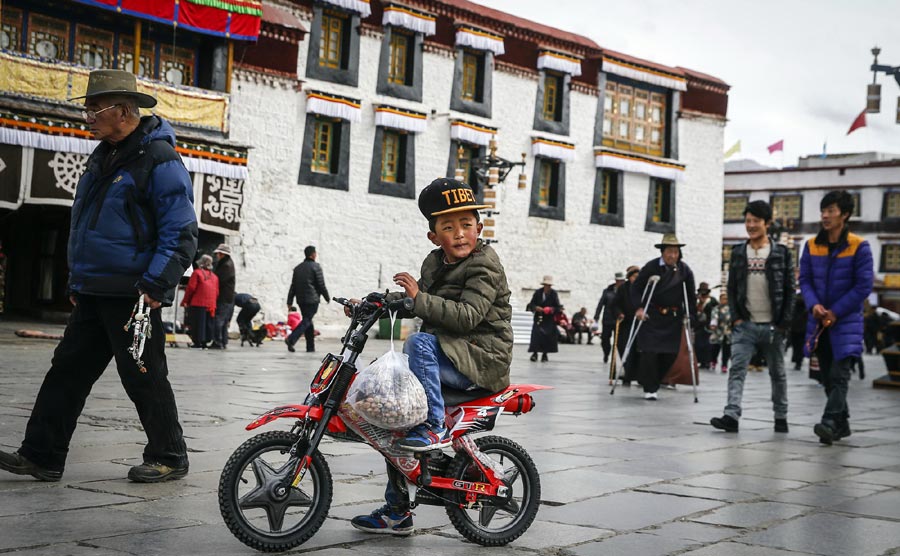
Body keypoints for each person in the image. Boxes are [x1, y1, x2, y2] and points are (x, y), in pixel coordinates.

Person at [0, 69, 197, 483]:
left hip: (135, 292)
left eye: (94, 109)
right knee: (66, 372)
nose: (87, 117)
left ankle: (169, 455)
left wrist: (157, 285)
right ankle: (42, 455)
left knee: (142, 374)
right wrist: (77, 280)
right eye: (87, 109)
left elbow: (180, 232)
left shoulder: (159, 160)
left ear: (124, 111)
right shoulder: (102, 157)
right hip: (94, 290)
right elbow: (86, 226)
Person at [351, 177, 513, 536]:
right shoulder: (434, 262)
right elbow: (425, 305)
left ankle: (435, 425)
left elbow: (467, 315)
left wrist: (419, 299)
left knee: (419, 344)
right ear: (433, 236)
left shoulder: (485, 265)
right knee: (391, 414)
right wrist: (381, 303)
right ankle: (397, 511)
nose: (459, 234)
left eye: (467, 225)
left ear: (479, 227)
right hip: (453, 355)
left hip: (481, 359)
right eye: (448, 227)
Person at [711, 200, 794, 434]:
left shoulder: (781, 253)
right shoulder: (738, 252)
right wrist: (736, 318)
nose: (751, 225)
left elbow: (790, 290)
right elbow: (733, 287)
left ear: (767, 223)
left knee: (777, 373)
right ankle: (731, 415)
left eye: (756, 221)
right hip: (745, 325)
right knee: (736, 369)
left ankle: (781, 417)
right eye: (747, 221)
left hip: (773, 326)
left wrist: (783, 323)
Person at [800, 190, 873, 445]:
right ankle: (843, 423)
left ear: (845, 214)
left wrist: (836, 311)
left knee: (840, 374)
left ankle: (830, 421)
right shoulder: (811, 245)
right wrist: (814, 306)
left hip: (846, 322)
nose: (825, 216)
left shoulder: (859, 246)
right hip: (819, 321)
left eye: (831, 211)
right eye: (823, 211)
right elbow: (805, 280)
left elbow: (863, 286)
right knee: (827, 376)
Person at [632, 234, 697, 400]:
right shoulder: (651, 267)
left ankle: (656, 381)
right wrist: (639, 308)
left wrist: (691, 315)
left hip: (672, 318)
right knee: (650, 353)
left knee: (670, 354)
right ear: (662, 251)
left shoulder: (684, 270)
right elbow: (637, 288)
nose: (672, 255)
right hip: (652, 316)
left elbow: (690, 296)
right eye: (669, 251)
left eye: (675, 252)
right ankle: (650, 387)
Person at [286, 245, 330, 353]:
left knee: (308, 320)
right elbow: (321, 284)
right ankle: (291, 339)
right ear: (313, 254)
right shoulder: (316, 267)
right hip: (312, 300)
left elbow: (293, 286)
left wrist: (289, 301)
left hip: (301, 300)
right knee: (307, 320)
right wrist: (327, 297)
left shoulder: (298, 268)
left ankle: (310, 347)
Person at [182, 254, 219, 349]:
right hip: (211, 304)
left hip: (198, 302)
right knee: (207, 324)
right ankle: (205, 343)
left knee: (197, 323)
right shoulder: (215, 277)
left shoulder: (197, 273)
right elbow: (217, 292)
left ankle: (197, 343)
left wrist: (186, 301)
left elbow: (191, 288)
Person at [613, 265, 641, 385]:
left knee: (638, 350)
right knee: (624, 348)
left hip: (640, 324)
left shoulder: (643, 288)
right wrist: (619, 313)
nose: (636, 279)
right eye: (634, 276)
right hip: (626, 323)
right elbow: (615, 304)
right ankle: (628, 373)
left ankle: (640, 375)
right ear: (629, 277)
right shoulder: (623, 289)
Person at [527, 276, 561, 362]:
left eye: (549, 285)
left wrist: (550, 309)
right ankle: (534, 353)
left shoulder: (554, 294)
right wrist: (536, 308)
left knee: (547, 336)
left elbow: (557, 307)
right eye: (546, 285)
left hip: (549, 319)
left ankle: (545, 354)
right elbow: (531, 304)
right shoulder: (538, 293)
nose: (547, 287)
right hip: (539, 317)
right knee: (536, 336)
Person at [210, 243, 235, 350]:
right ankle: (223, 341)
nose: (217, 256)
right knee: (223, 321)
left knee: (219, 320)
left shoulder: (226, 265)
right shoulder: (227, 263)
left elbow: (219, 280)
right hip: (228, 297)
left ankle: (217, 341)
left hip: (224, 297)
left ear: (222, 254)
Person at [595, 273, 624, 362]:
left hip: (620, 320)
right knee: (605, 338)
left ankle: (619, 357)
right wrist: (596, 316)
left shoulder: (626, 291)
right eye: (618, 280)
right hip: (607, 319)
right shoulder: (607, 291)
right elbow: (601, 304)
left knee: (619, 340)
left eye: (622, 281)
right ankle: (606, 353)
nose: (620, 282)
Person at [694, 282, 718, 369]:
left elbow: (716, 311)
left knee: (708, 344)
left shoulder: (712, 300)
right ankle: (699, 360)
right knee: (698, 344)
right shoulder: (696, 300)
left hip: (709, 325)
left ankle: (707, 361)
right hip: (698, 325)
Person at [709, 292, 732, 374]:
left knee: (727, 349)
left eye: (726, 299)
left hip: (728, 332)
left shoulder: (731, 308)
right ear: (720, 299)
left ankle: (724, 365)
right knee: (715, 347)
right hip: (718, 331)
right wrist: (713, 324)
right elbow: (714, 316)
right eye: (723, 299)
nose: (725, 300)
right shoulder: (716, 308)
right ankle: (713, 361)